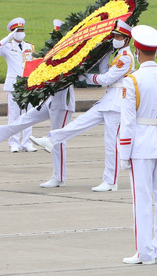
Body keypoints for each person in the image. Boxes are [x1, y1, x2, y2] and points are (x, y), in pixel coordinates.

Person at [31, 20, 134, 191]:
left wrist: (84, 76)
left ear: (127, 39)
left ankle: (110, 182)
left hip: (117, 103)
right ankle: (51, 139)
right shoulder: (116, 55)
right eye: (114, 35)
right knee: (80, 122)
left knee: (110, 144)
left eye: (118, 36)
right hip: (108, 100)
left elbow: (105, 79)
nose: (115, 38)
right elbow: (103, 73)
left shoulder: (125, 58)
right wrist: (102, 55)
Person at [118, 24, 157, 265]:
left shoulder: (131, 80)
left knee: (142, 199)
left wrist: (124, 153)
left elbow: (128, 123)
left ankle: (144, 253)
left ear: (137, 51)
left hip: (141, 146)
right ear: (156, 51)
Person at [1, 18, 37, 152]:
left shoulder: (29, 46)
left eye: (22, 30)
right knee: (14, 115)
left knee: (28, 114)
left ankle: (27, 142)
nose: (20, 33)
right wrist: (8, 38)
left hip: (28, 84)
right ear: (12, 32)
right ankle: (14, 142)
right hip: (13, 85)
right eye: (17, 31)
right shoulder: (7, 47)